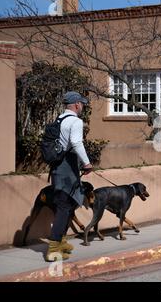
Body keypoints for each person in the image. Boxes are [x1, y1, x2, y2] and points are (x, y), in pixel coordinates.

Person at [46, 91, 93, 262]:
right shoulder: (75, 121)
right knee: (64, 206)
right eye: (82, 103)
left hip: (60, 167)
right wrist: (87, 163)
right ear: (76, 104)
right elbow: (76, 142)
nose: (83, 106)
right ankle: (53, 248)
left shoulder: (60, 119)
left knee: (73, 201)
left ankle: (61, 240)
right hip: (66, 168)